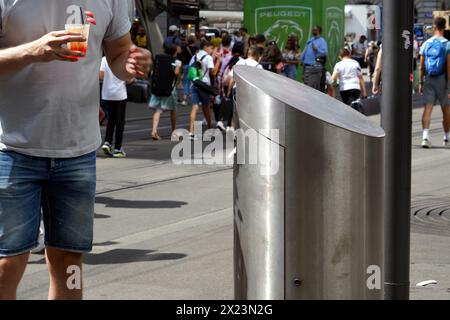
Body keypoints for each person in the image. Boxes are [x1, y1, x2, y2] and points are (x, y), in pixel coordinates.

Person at [0, 1, 151, 300]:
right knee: (7, 263)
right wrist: (32, 50)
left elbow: (119, 52)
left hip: (78, 153)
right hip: (12, 147)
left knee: (69, 262)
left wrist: (131, 63)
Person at [418, 17, 450, 149]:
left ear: (434, 26)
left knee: (428, 109)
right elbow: (449, 67)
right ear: (444, 27)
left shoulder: (426, 43)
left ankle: (425, 137)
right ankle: (446, 138)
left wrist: (420, 82)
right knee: (446, 110)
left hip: (429, 79)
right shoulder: (447, 44)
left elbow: (421, 67)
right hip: (443, 79)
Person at [188, 40, 221, 139]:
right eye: (211, 48)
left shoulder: (194, 57)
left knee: (194, 107)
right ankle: (210, 130)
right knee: (206, 107)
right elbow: (213, 72)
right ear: (206, 47)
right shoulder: (208, 57)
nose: (211, 51)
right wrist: (218, 60)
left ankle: (191, 132)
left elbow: (190, 69)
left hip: (194, 84)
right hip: (204, 86)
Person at [149, 45, 182, 140]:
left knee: (158, 110)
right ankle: (174, 132)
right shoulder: (176, 61)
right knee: (173, 110)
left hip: (159, 87)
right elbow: (176, 73)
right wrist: (178, 67)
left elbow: (152, 72)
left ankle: (154, 131)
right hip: (170, 89)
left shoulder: (159, 58)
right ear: (175, 51)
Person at [100, 57, 131, 158]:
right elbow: (129, 80)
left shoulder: (104, 59)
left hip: (107, 94)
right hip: (120, 94)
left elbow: (100, 76)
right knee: (120, 122)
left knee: (111, 119)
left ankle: (107, 142)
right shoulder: (124, 60)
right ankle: (118, 148)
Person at [216, 42, 245, 131]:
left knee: (225, 102)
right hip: (233, 84)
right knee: (232, 106)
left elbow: (221, 71)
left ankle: (220, 121)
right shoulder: (242, 61)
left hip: (224, 83)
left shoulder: (228, 58)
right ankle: (229, 125)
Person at [301, 26, 328, 92]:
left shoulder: (322, 41)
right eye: (313, 29)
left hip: (314, 66)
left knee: (312, 85)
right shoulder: (311, 39)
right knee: (305, 82)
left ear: (318, 31)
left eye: (314, 30)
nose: (313, 31)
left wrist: (317, 49)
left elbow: (325, 53)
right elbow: (306, 49)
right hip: (306, 65)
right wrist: (302, 58)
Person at [180, 35, 198, 105]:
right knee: (194, 82)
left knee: (186, 82)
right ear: (195, 41)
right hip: (194, 66)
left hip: (186, 66)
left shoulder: (185, 48)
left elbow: (182, 56)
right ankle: (195, 99)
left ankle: (184, 99)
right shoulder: (197, 48)